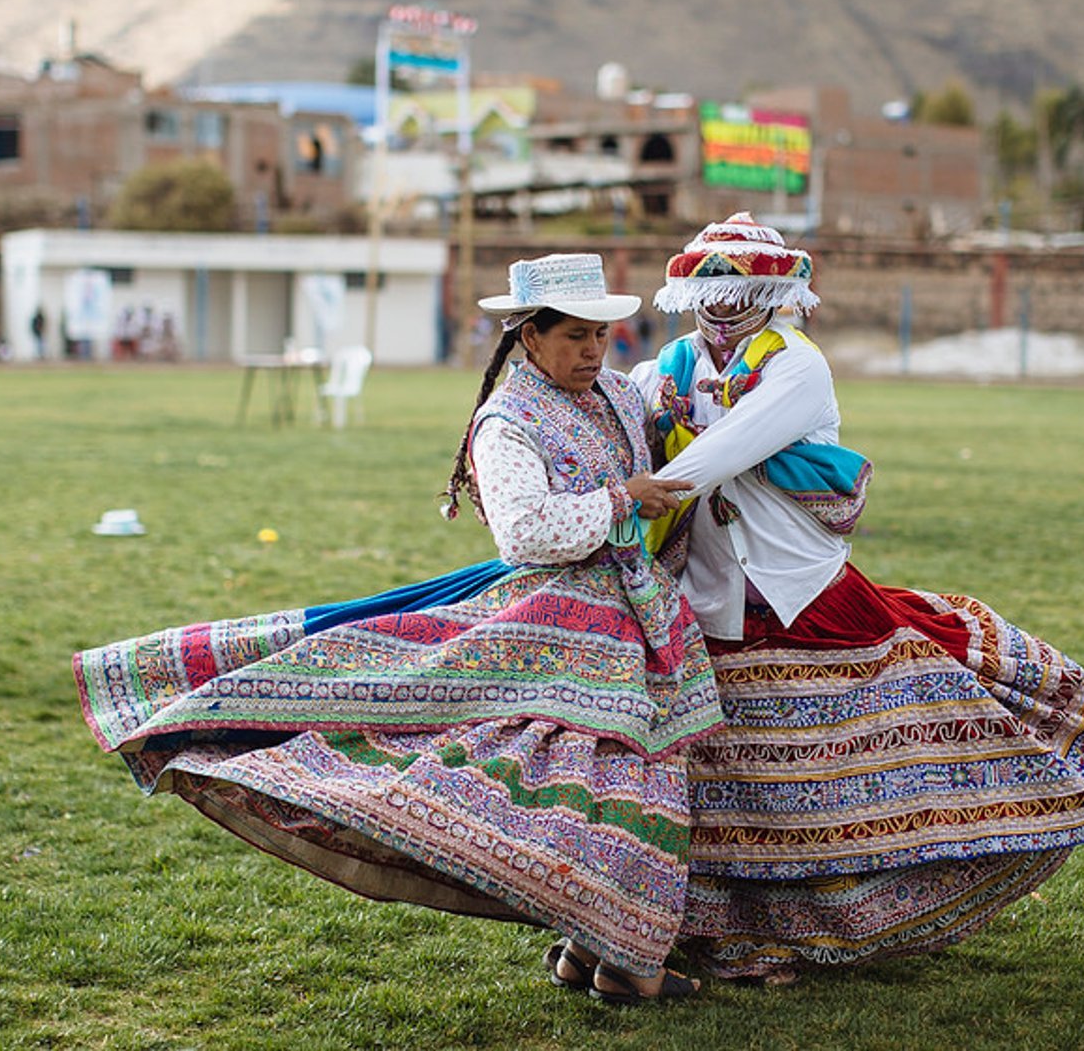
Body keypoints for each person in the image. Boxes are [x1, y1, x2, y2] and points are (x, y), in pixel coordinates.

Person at [72, 253, 716, 1003]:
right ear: (528, 338)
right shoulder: (507, 422)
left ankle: (596, 950)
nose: (592, 352)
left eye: (601, 336)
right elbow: (523, 531)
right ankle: (625, 960)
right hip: (557, 621)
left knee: (615, 778)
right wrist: (620, 500)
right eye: (574, 337)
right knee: (606, 772)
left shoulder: (612, 394)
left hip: (630, 619)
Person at [630, 213, 1084, 983]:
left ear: (773, 293)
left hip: (800, 594)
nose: (720, 305)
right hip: (706, 595)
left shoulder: (795, 365)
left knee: (823, 781)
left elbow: (725, 450)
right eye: (706, 289)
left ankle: (818, 926)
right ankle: (719, 933)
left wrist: (634, 490)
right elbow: (620, 425)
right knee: (730, 779)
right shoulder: (669, 363)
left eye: (741, 288)